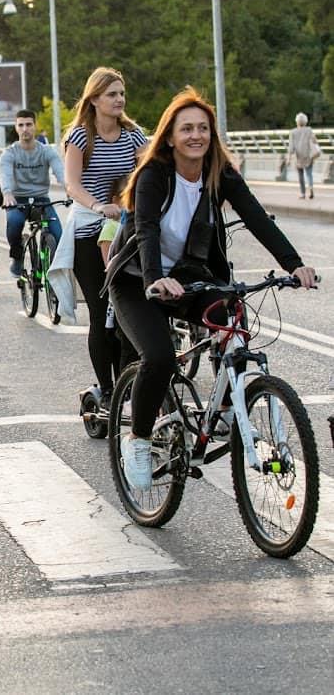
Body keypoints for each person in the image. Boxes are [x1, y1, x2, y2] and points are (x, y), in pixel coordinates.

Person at [104, 88, 317, 491]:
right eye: (187, 129)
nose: (195, 136)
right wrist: (153, 280)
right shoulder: (153, 175)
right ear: (170, 136)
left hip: (189, 276)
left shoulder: (219, 173)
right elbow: (145, 229)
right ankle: (139, 439)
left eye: (203, 128)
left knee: (234, 318)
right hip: (136, 280)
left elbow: (256, 216)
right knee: (161, 356)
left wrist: (294, 264)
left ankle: (222, 410)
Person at [50, 67, 147, 407]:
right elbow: (72, 184)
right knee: (101, 309)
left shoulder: (134, 136)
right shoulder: (79, 137)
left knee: (131, 311)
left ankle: (130, 382)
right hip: (89, 230)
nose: (119, 99)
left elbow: (148, 173)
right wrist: (99, 205)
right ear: (94, 100)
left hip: (126, 231)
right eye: (112, 94)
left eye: (122, 94)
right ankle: (107, 389)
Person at [0, 109, 66, 278]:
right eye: (20, 125)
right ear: (16, 128)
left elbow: (61, 173)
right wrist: (7, 193)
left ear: (35, 126)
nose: (25, 129)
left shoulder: (46, 151)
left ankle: (54, 276)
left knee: (58, 236)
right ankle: (17, 257)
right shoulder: (10, 153)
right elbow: (5, 174)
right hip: (17, 200)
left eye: (28, 124)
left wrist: (69, 188)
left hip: (41, 199)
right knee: (14, 224)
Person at [287, 112, 321, 200]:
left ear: (297, 122)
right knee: (309, 174)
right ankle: (311, 188)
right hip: (308, 155)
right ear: (305, 121)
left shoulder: (293, 132)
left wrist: (289, 158)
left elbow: (291, 147)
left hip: (299, 157)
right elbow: (314, 141)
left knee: (300, 176)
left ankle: (302, 193)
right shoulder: (309, 130)